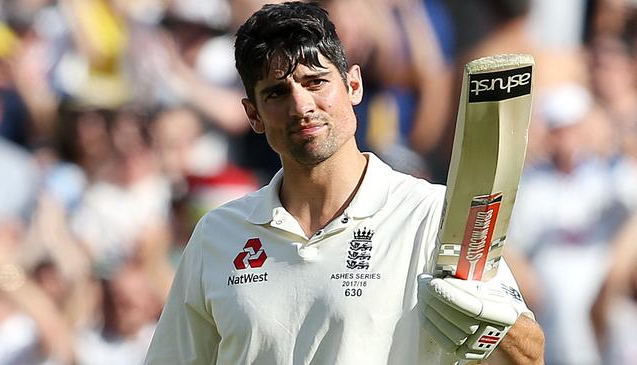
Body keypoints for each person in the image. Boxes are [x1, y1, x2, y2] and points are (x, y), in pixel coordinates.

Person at [144, 2, 544, 364]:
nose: (301, 106)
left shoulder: (430, 215)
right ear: (253, 115)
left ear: (354, 85)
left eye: (316, 82)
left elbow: (529, 356)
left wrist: (494, 329)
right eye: (277, 93)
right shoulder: (218, 235)